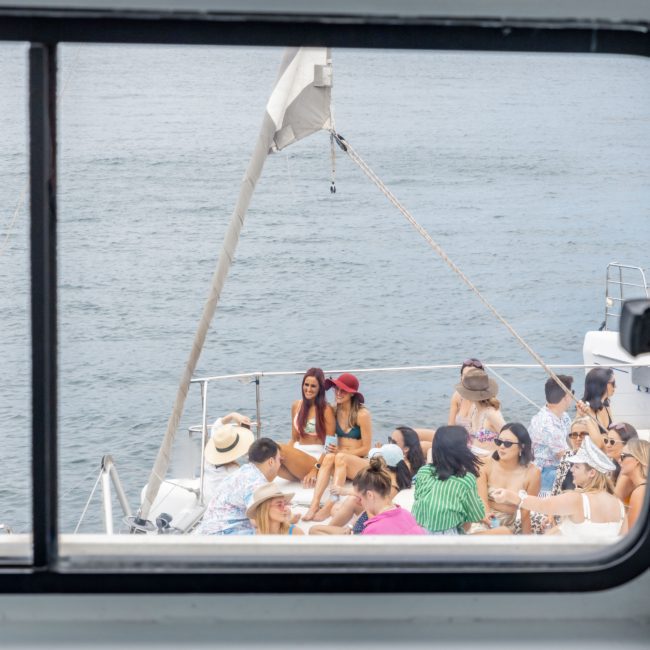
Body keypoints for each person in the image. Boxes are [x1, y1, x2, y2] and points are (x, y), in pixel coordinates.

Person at [491, 437, 627, 540]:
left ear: (592, 473)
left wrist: (510, 496)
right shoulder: (619, 506)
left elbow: (543, 505)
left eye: (577, 466)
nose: (572, 469)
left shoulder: (578, 499)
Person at [302, 373, 372, 522]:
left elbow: (366, 448)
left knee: (339, 456)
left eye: (343, 391)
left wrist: (340, 452)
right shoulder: (333, 411)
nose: (338, 393)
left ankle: (330, 504)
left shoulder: (362, 414)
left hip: (359, 463)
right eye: (336, 389)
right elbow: (328, 439)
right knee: (329, 456)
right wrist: (316, 467)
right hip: (340, 464)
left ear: (352, 394)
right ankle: (314, 504)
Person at [308, 444, 412, 535]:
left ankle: (331, 528)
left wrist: (346, 492)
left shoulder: (389, 485)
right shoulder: (393, 479)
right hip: (364, 523)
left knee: (349, 502)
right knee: (337, 508)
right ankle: (334, 527)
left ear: (385, 464)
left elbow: (372, 510)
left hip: (363, 527)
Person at [194, 437, 281, 535]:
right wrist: (286, 518)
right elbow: (257, 521)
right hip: (222, 539)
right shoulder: (255, 482)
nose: (280, 464)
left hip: (206, 532)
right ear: (271, 462)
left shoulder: (242, 472)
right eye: (279, 460)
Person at [412, 425, 485, 534]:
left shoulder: (423, 471)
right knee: (468, 518)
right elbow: (476, 515)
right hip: (445, 537)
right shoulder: (466, 479)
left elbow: (418, 497)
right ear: (462, 451)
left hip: (417, 531)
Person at [476, 423, 540, 534]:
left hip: (508, 526)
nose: (501, 446)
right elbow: (483, 506)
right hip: (482, 521)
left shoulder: (532, 473)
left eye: (508, 443)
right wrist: (497, 530)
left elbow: (525, 514)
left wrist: (527, 545)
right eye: (499, 442)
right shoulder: (485, 464)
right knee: (503, 533)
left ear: (522, 446)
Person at [277, 368, 335, 487]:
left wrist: (316, 469)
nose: (308, 389)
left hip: (315, 457)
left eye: (313, 386)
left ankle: (312, 475)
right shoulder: (296, 406)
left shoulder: (325, 410)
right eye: (306, 385)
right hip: (299, 453)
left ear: (320, 388)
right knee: (269, 456)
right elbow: (294, 439)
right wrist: (282, 456)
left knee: (277, 447)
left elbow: (330, 446)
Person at [351, 457, 426, 535]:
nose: (358, 502)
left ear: (370, 495)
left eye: (359, 498)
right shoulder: (408, 515)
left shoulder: (372, 531)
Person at [528, 375, 574, 495]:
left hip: (557, 466)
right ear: (566, 397)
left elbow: (573, 439)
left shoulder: (563, 416)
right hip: (545, 472)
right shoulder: (547, 424)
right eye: (572, 392)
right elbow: (565, 457)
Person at [202, 411, 255, 500]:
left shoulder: (208, 461)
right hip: (221, 506)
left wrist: (233, 415)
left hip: (207, 500)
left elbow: (217, 426)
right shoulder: (233, 471)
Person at [454, 367, 505, 452]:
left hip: (488, 460)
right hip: (475, 454)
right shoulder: (474, 409)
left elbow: (509, 438)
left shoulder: (491, 414)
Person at [550, 416, 601, 495]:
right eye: (574, 434)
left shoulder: (597, 461)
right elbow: (556, 487)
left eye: (583, 434)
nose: (578, 438)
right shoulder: (567, 456)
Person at [618, 439, 649, 530]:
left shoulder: (640, 492)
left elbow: (632, 535)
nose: (619, 460)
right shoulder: (644, 489)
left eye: (623, 456)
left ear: (636, 459)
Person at [448, 358, 485, 428]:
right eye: (464, 375)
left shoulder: (487, 399)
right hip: (458, 437)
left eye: (471, 375)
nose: (467, 379)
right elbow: (450, 425)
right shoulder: (457, 396)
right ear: (461, 377)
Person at [579, 367, 616, 438]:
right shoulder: (584, 410)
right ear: (604, 385)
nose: (615, 387)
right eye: (613, 383)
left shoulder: (606, 404)